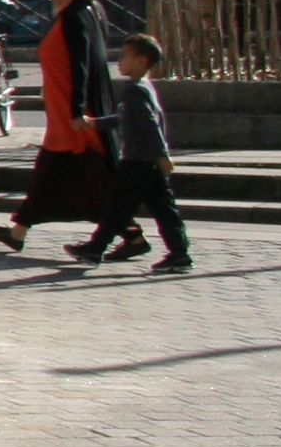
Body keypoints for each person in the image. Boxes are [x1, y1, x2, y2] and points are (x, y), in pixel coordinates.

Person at [0, 0, 144, 258]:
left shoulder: (75, 16)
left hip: (75, 118)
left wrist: (76, 110)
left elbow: (81, 64)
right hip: (66, 115)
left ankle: (131, 235)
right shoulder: (87, 11)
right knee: (52, 175)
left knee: (88, 179)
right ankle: (18, 232)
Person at [73, 32, 192, 274]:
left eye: (126, 56)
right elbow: (125, 119)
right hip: (148, 162)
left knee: (118, 207)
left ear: (142, 60)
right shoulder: (144, 88)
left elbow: (149, 124)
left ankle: (95, 249)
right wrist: (94, 123)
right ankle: (179, 253)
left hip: (138, 161)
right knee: (163, 209)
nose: (120, 61)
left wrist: (162, 154)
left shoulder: (134, 90)